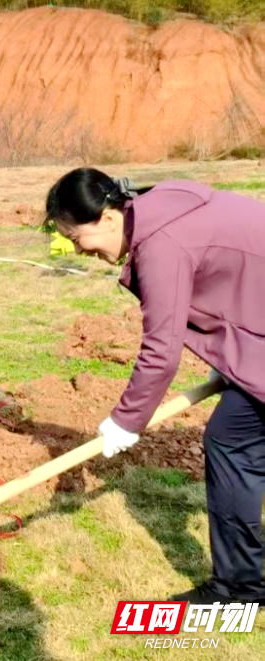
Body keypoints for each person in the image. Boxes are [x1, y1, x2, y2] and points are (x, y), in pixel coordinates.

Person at [45, 168, 265, 605]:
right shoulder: (161, 206)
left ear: (109, 218)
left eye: (76, 238)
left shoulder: (162, 245)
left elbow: (161, 352)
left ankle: (239, 588)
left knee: (231, 442)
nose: (79, 250)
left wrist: (126, 421)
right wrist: (234, 362)